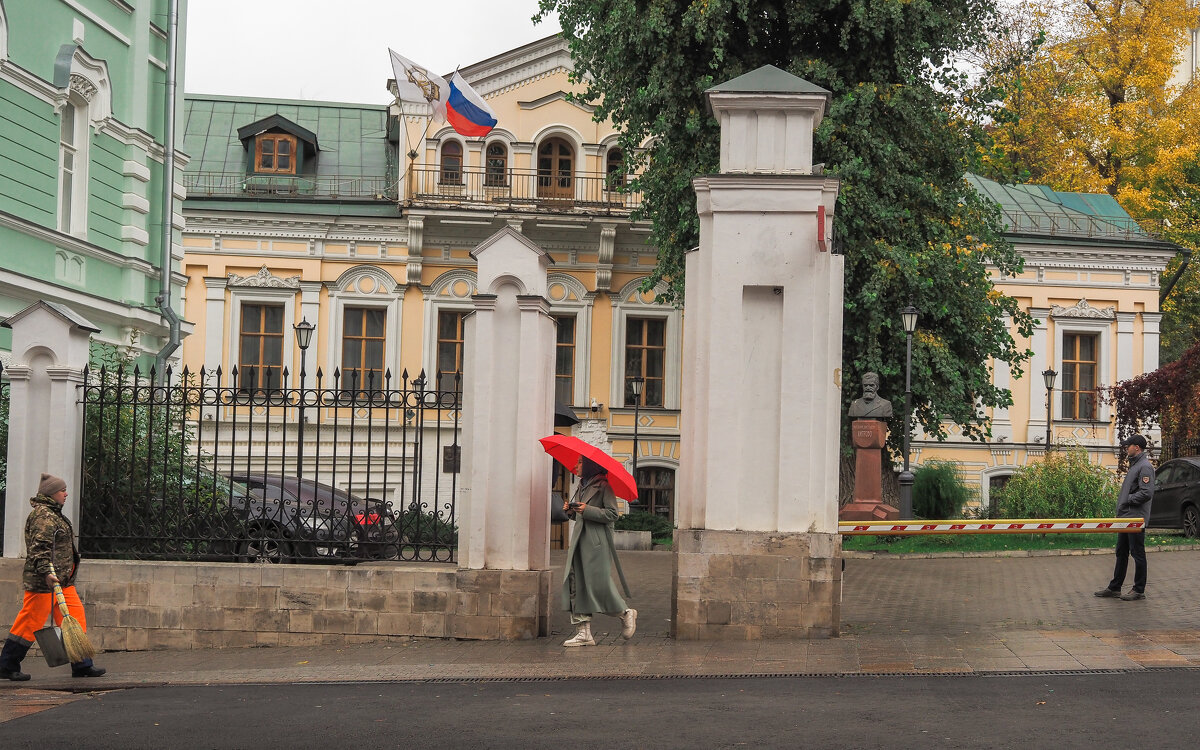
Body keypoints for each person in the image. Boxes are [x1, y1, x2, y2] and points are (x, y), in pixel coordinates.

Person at [0, 473, 106, 681]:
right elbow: (39, 549)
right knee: (30, 621)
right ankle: (7, 665)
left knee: (74, 617)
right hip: (44, 582)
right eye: (62, 490)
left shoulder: (52, 513)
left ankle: (81, 663)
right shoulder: (44, 516)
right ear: (51, 494)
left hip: (62, 581)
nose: (66, 494)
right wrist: (47, 573)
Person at [559, 456, 636, 646]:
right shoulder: (581, 486)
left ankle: (625, 613)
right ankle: (583, 632)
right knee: (576, 583)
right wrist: (570, 511)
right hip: (579, 540)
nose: (575, 466)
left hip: (596, 544)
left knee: (597, 586)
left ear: (589, 466)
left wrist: (587, 509)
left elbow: (612, 515)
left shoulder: (603, 486)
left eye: (579, 463)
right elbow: (580, 517)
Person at [1094, 435, 1155, 601]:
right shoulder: (1135, 465)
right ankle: (1115, 588)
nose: (1126, 448)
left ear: (1136, 447)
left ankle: (1139, 590)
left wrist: (1127, 500)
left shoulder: (1144, 467)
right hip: (1126, 517)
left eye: (1128, 446)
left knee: (1137, 553)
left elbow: (1146, 492)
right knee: (1121, 552)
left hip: (1135, 518)